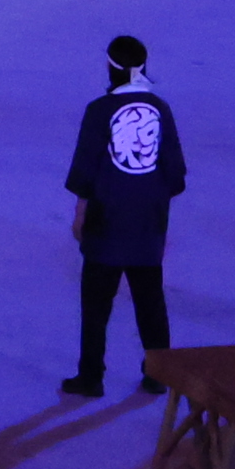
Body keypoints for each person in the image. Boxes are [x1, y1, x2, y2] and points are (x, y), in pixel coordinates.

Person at [64, 35, 184, 396]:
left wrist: (80, 214)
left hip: (106, 222)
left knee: (96, 305)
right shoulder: (160, 108)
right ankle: (158, 372)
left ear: (110, 66)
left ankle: (91, 376)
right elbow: (174, 172)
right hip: (147, 224)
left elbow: (85, 169)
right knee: (150, 299)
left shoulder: (99, 110)